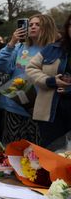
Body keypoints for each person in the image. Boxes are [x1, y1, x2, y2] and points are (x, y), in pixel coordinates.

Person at [0, 14, 57, 144]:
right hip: (14, 106)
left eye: (38, 24)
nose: (33, 27)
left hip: (39, 108)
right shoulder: (20, 47)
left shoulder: (54, 50)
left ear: (48, 28)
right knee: (11, 147)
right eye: (31, 24)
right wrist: (11, 43)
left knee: (35, 151)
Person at [27, 14, 71, 149]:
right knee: (52, 154)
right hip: (51, 113)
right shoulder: (53, 48)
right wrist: (50, 81)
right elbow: (31, 68)